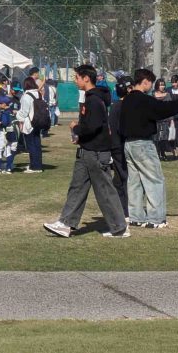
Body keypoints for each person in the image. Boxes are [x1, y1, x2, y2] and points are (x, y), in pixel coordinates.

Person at [43, 65, 129, 239]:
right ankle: (65, 224)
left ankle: (120, 227)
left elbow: (94, 126)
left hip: (97, 153)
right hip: (86, 151)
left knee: (105, 191)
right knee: (77, 188)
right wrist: (80, 136)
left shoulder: (94, 100)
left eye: (77, 78)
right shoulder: (89, 98)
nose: (75, 81)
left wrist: (77, 128)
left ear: (86, 79)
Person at [120, 68, 178, 228]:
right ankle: (155, 218)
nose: (151, 86)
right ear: (145, 81)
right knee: (154, 180)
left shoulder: (126, 100)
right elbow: (165, 109)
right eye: (151, 83)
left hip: (129, 144)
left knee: (135, 181)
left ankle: (136, 216)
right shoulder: (144, 100)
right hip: (144, 144)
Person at [108, 75, 131, 216]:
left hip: (117, 146)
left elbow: (112, 128)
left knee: (122, 179)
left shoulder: (116, 106)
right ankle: (125, 209)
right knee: (123, 179)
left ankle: (125, 210)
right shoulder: (127, 106)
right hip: (123, 145)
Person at [16, 76, 46, 173]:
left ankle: (35, 167)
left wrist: (17, 114)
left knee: (31, 145)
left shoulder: (26, 96)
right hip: (38, 121)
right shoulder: (38, 94)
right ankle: (38, 165)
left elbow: (24, 112)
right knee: (37, 144)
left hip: (30, 123)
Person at [0, 93, 17, 174]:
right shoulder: (12, 111)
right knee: (8, 151)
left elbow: (5, 123)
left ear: (4, 104)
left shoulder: (5, 112)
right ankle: (9, 168)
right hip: (12, 132)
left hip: (4, 133)